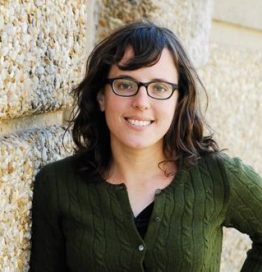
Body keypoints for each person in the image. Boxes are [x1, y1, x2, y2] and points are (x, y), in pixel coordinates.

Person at [29, 21, 262, 272]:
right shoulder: (57, 185)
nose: (141, 102)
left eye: (159, 88)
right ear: (101, 96)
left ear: (178, 100)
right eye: (126, 84)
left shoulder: (218, 176)